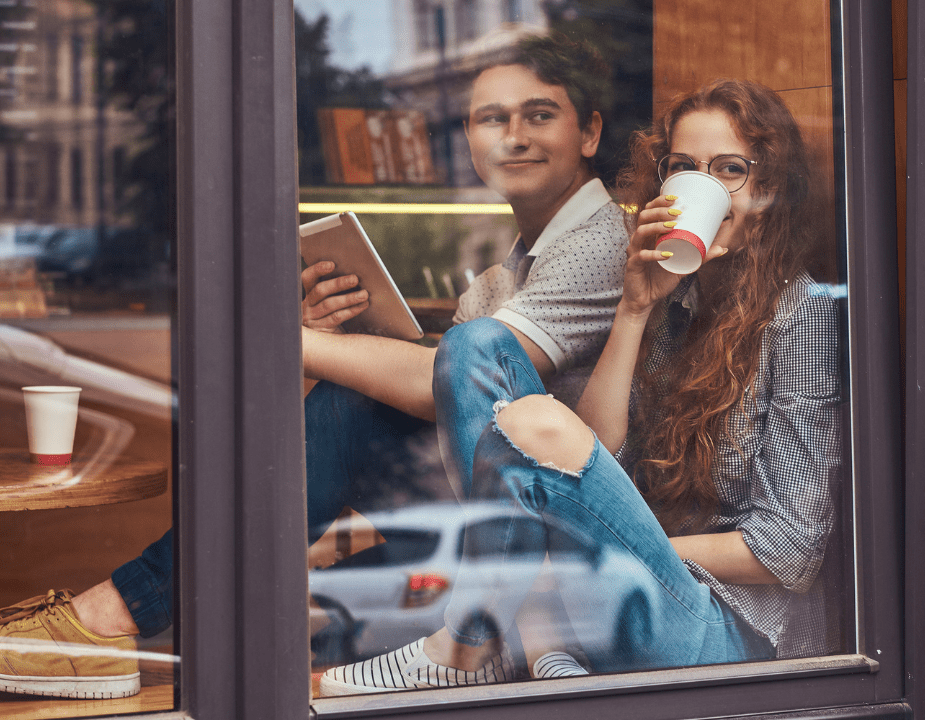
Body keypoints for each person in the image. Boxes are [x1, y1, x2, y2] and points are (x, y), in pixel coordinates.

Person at [0, 34, 629, 700]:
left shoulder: (599, 245)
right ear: (469, 138)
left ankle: (112, 617)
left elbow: (449, 382)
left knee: (348, 409)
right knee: (321, 622)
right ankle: (127, 622)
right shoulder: (506, 273)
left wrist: (287, 340)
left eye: (539, 114)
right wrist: (330, 332)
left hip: (571, 549)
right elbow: (456, 393)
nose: (514, 136)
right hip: (506, 522)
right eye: (491, 118)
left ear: (589, 131)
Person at [320, 77, 842, 695]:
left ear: (768, 190)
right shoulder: (674, 305)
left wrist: (625, 549)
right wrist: (635, 306)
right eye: (683, 168)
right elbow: (599, 457)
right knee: (475, 345)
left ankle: (484, 641)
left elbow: (790, 549)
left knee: (535, 428)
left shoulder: (801, 313)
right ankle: (522, 644)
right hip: (620, 590)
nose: (703, 186)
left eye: (729, 169)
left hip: (726, 629)